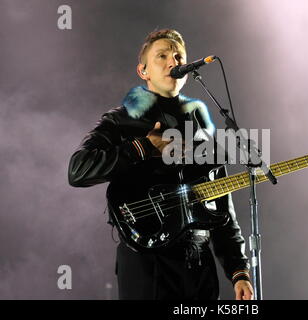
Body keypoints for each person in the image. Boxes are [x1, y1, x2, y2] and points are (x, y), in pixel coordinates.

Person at [68, 29, 254, 300]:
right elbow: (78, 169)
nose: (173, 62)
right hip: (148, 264)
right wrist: (142, 147)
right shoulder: (121, 120)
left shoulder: (201, 125)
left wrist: (239, 270)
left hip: (199, 266)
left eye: (179, 56)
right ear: (143, 70)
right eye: (162, 56)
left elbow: (221, 202)